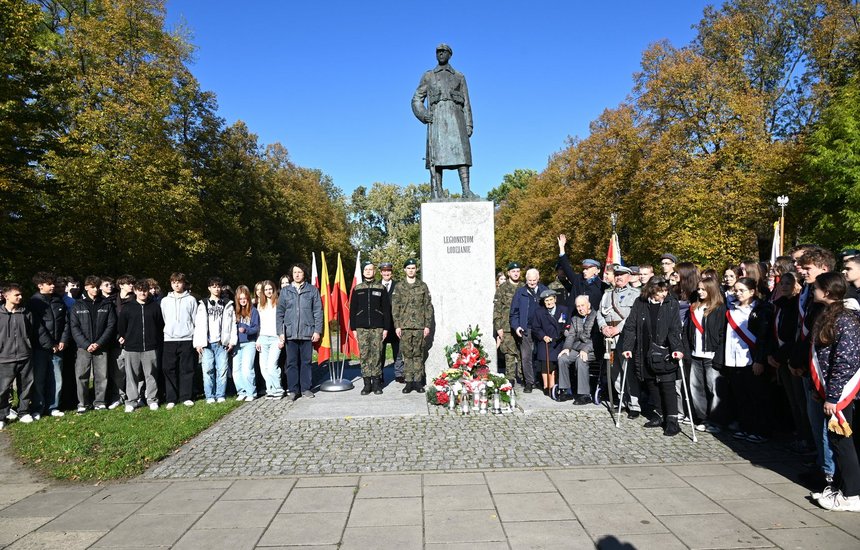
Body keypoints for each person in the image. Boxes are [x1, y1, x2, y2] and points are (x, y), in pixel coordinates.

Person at [810, 272, 860, 511]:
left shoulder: (845, 320)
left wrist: (833, 396)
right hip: (830, 388)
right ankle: (841, 488)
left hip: (842, 392)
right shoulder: (830, 315)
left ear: (827, 291)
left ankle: (852, 495)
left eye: (817, 287)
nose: (813, 290)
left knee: (842, 441)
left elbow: (845, 361)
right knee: (836, 441)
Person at [622, 277, 685, 436]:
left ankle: (672, 420)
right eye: (660, 291)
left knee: (667, 384)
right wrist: (628, 347)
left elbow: (675, 328)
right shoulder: (640, 302)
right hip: (644, 349)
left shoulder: (671, 303)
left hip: (665, 350)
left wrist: (677, 348)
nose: (664, 294)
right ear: (651, 290)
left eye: (665, 290)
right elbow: (630, 326)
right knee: (651, 382)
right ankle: (659, 414)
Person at [411, 43, 475, 199]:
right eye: (438, 52)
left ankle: (466, 190)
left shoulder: (459, 76)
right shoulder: (429, 76)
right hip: (437, 119)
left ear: (449, 54)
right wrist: (424, 114)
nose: (440, 54)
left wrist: (469, 124)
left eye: (443, 51)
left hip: (456, 118)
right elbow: (416, 100)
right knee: (437, 157)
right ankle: (437, 191)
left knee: (462, 155)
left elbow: (466, 102)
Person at [720, 277, 773, 443]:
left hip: (751, 359)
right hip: (733, 359)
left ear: (752, 291)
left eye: (742, 290)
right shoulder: (731, 309)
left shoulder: (761, 309)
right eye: (736, 290)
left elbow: (764, 337)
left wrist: (759, 360)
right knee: (740, 395)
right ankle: (746, 427)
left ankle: (760, 430)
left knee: (755, 396)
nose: (738, 293)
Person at [768, 272, 812, 453]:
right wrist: (773, 354)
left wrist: (779, 355)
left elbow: (796, 336)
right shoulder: (780, 306)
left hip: (791, 358)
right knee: (793, 401)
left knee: (801, 403)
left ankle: (808, 440)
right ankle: (801, 436)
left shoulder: (796, 306)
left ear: (797, 286)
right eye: (781, 283)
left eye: (789, 283)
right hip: (781, 358)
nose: (784, 286)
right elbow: (774, 331)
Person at [685, 276, 727, 432]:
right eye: (699, 289)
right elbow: (687, 330)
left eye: (704, 289)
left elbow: (722, 334)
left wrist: (719, 356)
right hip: (696, 354)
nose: (700, 292)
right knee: (697, 388)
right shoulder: (694, 307)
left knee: (714, 389)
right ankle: (702, 417)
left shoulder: (720, 308)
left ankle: (716, 421)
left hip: (711, 354)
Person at [69, 276, 116, 413]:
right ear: (86, 287)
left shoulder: (106, 304)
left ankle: (99, 402)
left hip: (101, 347)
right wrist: (86, 344)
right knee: (82, 376)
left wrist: (99, 343)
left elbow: (111, 325)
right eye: (92, 286)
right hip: (83, 348)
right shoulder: (77, 305)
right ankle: (83, 403)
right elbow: (74, 327)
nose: (95, 289)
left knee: (102, 376)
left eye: (97, 287)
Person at [597, 265, 639, 417]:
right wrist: (603, 327)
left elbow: (633, 316)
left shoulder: (635, 294)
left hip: (625, 337)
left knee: (629, 372)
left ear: (629, 277)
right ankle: (622, 400)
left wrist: (618, 329)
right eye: (617, 275)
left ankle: (634, 405)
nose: (619, 277)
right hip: (609, 338)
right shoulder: (607, 294)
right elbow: (599, 313)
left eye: (622, 275)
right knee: (615, 372)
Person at [277, 264, 323, 400]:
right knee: (291, 363)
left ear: (304, 274)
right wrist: (280, 332)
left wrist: (317, 331)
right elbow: (279, 313)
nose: (297, 274)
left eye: (300, 272)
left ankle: (306, 388)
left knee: (306, 362)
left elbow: (318, 312)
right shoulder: (285, 292)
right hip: (290, 333)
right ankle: (293, 390)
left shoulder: (312, 290)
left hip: (307, 332)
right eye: (295, 272)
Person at [28, 272, 70, 419]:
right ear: (40, 285)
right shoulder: (34, 302)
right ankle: (38, 408)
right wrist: (50, 344)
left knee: (57, 378)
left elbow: (66, 322)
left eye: (53, 283)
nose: (53, 286)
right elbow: (37, 326)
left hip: (59, 347)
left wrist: (63, 340)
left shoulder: (58, 300)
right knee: (39, 379)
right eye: (49, 284)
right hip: (41, 348)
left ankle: (53, 406)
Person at [117, 280, 163, 412]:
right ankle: (131, 401)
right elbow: (122, 327)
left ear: (148, 291)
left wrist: (154, 339)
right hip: (132, 347)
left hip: (150, 346)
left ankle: (152, 399)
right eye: (140, 290)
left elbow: (160, 325)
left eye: (145, 290)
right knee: (132, 375)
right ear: (135, 291)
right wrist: (128, 338)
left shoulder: (154, 306)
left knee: (151, 374)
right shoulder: (128, 307)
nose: (143, 292)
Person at [391, 259, 434, 392]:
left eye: (413, 268)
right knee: (407, 355)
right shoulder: (399, 286)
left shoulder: (422, 286)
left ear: (416, 270)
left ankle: (418, 382)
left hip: (420, 326)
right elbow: (395, 307)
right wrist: (397, 326)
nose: (411, 270)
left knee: (418, 354)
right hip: (404, 326)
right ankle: (408, 382)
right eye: (408, 268)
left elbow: (428, 306)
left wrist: (427, 325)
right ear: (404, 270)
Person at [193, 277, 237, 404]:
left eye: (218, 286)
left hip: (222, 343)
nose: (216, 288)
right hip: (207, 343)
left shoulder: (227, 304)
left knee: (222, 370)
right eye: (213, 286)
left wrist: (232, 341)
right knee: (208, 371)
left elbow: (232, 324)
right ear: (209, 288)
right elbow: (198, 324)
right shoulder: (203, 304)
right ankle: (210, 396)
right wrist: (198, 343)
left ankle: (220, 394)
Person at [350, 262, 391, 395]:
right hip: (361, 327)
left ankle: (377, 384)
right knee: (365, 355)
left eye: (371, 269)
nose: (368, 271)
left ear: (374, 272)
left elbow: (386, 309)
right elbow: (353, 309)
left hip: (377, 327)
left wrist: (386, 328)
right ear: (363, 272)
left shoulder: (380, 288)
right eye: (366, 269)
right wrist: (354, 328)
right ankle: (367, 384)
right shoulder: (357, 289)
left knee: (377, 355)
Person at [0, 283, 37, 428]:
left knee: (26, 386)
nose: (20, 297)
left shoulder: (26, 313)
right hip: (4, 358)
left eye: (21, 294)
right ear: (6, 296)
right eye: (17, 295)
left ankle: (24, 412)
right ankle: (2, 416)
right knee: (2, 389)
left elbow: (32, 332)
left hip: (25, 356)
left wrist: (27, 346)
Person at [160, 272, 197, 408]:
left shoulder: (191, 300)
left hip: (187, 337)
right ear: (171, 283)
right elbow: (164, 318)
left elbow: (194, 319)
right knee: (169, 369)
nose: (176, 284)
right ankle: (171, 398)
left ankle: (186, 396)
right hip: (169, 339)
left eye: (179, 282)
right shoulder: (165, 301)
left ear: (184, 283)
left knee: (186, 368)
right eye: (174, 282)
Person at [510, 267, 548, 392]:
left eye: (534, 280)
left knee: (541, 355)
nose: (532, 283)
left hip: (541, 328)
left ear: (538, 279)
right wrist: (516, 326)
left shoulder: (544, 290)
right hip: (526, 328)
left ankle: (542, 381)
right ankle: (529, 382)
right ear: (526, 280)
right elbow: (514, 313)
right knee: (526, 356)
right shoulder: (520, 292)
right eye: (529, 280)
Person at [558, 295, 598, 404]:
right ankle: (566, 391)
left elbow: (596, 338)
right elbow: (571, 335)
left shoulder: (597, 316)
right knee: (563, 358)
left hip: (592, 348)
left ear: (588, 305)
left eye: (582, 305)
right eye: (578, 306)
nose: (580, 308)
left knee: (581, 360)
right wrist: (566, 348)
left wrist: (585, 349)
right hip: (577, 348)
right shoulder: (575, 318)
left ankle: (584, 395)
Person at [530, 289, 570, 396]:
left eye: (551, 300)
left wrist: (564, 331)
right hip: (545, 342)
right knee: (545, 364)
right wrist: (543, 336)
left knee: (556, 364)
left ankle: (554, 385)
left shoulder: (563, 310)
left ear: (555, 299)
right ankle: (546, 386)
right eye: (546, 300)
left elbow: (567, 323)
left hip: (559, 341)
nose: (549, 302)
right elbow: (535, 327)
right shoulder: (539, 312)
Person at [494, 262, 524, 385]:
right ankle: (510, 377)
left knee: (523, 352)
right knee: (509, 353)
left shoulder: (524, 287)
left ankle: (523, 377)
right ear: (508, 273)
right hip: (506, 326)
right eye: (513, 271)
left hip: (522, 325)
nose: (516, 273)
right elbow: (497, 309)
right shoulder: (502, 289)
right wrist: (498, 327)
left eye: (517, 271)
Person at [108, 274, 135, 409]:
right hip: (115, 342)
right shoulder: (112, 300)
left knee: (133, 372)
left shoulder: (135, 300)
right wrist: (118, 335)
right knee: (118, 372)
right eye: (128, 283)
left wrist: (126, 335)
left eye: (132, 283)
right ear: (121, 285)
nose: (131, 285)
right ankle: (118, 396)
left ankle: (133, 396)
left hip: (131, 341)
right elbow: (109, 321)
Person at [256, 280, 284, 399]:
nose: (268, 291)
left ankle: (278, 389)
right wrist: (257, 339)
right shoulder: (260, 305)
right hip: (263, 338)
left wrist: (282, 338)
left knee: (272, 366)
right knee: (264, 367)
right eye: (266, 289)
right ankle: (270, 389)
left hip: (275, 338)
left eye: (270, 289)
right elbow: (258, 324)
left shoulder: (278, 303)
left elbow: (282, 321)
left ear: (274, 290)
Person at [233, 285, 259, 401]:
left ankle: (251, 392)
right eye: (240, 299)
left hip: (249, 343)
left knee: (247, 369)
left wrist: (246, 330)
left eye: (244, 298)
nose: (243, 301)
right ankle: (241, 391)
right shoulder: (235, 312)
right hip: (237, 344)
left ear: (248, 298)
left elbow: (256, 328)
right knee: (236, 370)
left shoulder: (253, 311)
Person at [379, 263, 404, 383]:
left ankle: (399, 374)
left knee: (398, 351)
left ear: (391, 272)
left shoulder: (398, 286)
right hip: (381, 324)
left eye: (388, 271)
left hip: (395, 324)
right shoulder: (376, 285)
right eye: (384, 271)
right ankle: (380, 374)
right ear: (380, 273)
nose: (386, 273)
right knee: (380, 351)